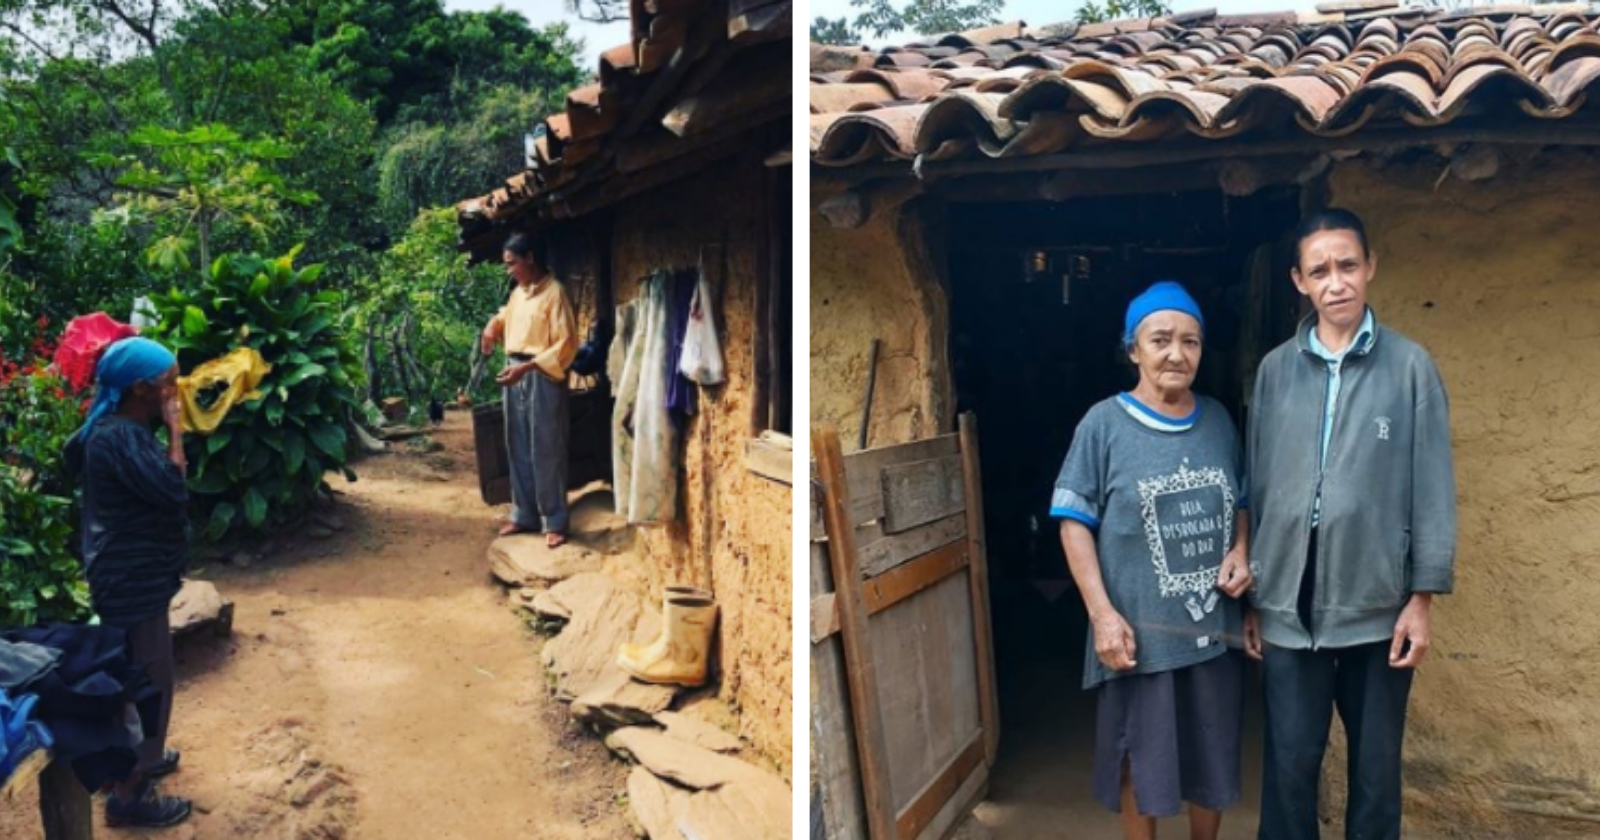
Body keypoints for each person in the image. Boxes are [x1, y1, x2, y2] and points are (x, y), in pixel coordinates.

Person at [1248, 208, 1456, 840]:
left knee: (1373, 777)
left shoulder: (1410, 367)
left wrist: (1420, 600)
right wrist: (1256, 595)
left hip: (1378, 606)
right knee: (1289, 771)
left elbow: (1433, 489)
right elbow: (1254, 482)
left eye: (1346, 265)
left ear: (1370, 267)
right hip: (1288, 602)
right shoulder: (1275, 371)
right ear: (1298, 281)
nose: (1335, 282)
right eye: (1319, 271)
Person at [1051, 281, 1256, 840]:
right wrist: (1101, 614)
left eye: (1190, 341)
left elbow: (1240, 501)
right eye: (1160, 339)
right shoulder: (1103, 425)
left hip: (1212, 630)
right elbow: (1074, 522)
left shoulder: (1216, 419)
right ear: (1132, 349)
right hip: (1137, 635)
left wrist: (1240, 549)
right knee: (1137, 760)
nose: (1176, 353)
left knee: (1211, 758)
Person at [62, 336, 192, 828]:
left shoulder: (123, 431)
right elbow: (171, 487)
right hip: (130, 579)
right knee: (149, 680)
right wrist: (177, 430)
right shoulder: (118, 437)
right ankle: (130, 794)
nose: (175, 393)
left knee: (143, 673)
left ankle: (141, 760)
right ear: (141, 390)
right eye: (169, 385)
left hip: (135, 576)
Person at [480, 231, 578, 547]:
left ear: (530, 258)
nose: (509, 271)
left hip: (542, 373)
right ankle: (524, 515)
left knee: (547, 446)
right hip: (515, 369)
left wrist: (530, 367)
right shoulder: (519, 294)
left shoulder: (555, 294)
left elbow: (566, 344)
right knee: (517, 443)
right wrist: (493, 326)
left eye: (512, 264)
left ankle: (554, 520)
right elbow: (507, 315)